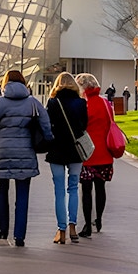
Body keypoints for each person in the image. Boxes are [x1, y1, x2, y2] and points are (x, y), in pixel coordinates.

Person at [0, 70, 52, 247]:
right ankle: (19, 235)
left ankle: (2, 229)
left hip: (3, 153)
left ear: (5, 83)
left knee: (1, 189)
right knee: (22, 194)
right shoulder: (34, 104)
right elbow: (47, 131)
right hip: (26, 153)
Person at [45, 72, 88, 244]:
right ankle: (73, 226)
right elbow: (84, 125)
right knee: (73, 188)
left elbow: (47, 126)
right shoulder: (81, 103)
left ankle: (61, 229)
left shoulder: (53, 102)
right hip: (76, 150)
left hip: (56, 150)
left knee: (59, 191)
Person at [77, 73, 114, 238]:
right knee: (101, 188)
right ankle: (98, 219)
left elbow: (80, 126)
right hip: (105, 152)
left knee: (86, 190)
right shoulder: (106, 103)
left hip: (88, 153)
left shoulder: (84, 105)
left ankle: (87, 224)